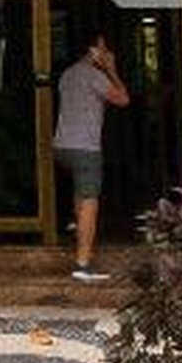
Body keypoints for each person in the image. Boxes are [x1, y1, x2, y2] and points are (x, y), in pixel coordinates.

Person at [51, 32, 132, 283]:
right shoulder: (94, 75)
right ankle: (83, 263)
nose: (108, 53)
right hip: (85, 148)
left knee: (80, 195)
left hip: (62, 146)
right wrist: (112, 68)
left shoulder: (68, 74)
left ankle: (79, 235)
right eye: (104, 49)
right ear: (93, 50)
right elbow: (123, 99)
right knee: (89, 201)